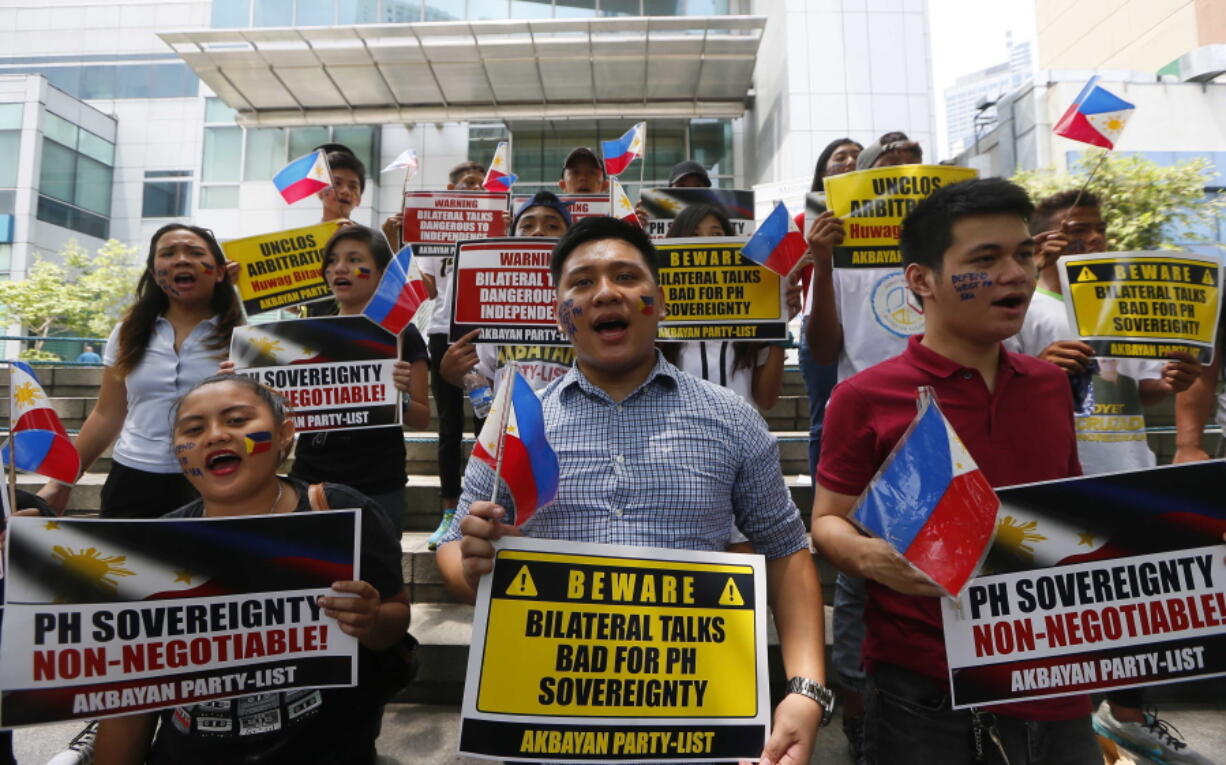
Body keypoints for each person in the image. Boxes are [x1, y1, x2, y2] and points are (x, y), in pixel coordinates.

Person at [436, 216, 830, 765]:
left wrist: (805, 691)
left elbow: (787, 553)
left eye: (625, 276)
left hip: (698, 727)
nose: (604, 293)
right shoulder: (513, 428)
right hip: (548, 731)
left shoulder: (733, 419)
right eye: (581, 282)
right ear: (559, 315)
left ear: (660, 301)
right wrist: (473, 561)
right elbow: (453, 549)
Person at [812, 177, 1097, 764]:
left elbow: (1071, 516)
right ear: (921, 280)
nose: (1015, 274)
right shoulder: (866, 397)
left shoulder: (1048, 386)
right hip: (923, 693)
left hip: (1053, 679)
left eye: (1021, 254)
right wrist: (870, 558)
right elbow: (828, 521)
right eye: (985, 260)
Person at [92, 374, 410, 765]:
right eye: (193, 428)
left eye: (237, 420)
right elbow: (130, 700)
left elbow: (395, 620)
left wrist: (371, 619)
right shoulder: (152, 550)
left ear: (284, 434)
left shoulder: (343, 511)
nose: (215, 435)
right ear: (179, 452)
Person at [1009, 190, 1209, 764]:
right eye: (1075, 230)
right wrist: (1039, 371)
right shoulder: (1024, 307)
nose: (1090, 239)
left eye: (1096, 229)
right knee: (1064, 615)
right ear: (1045, 240)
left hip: (1132, 468)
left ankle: (1125, 719)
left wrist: (1172, 379)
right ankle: (1065, 731)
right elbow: (993, 381)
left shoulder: (1118, 303)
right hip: (1058, 482)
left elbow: (1141, 389)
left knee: (1138, 610)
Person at [804, 133, 917, 763]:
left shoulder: (953, 258)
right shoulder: (844, 255)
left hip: (948, 416)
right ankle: (859, 715)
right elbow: (823, 351)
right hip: (868, 429)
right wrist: (822, 263)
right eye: (888, 166)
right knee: (857, 577)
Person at [38, 224, 242, 517]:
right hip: (132, 480)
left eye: (195, 252)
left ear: (220, 272)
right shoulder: (127, 333)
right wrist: (62, 481)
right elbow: (107, 414)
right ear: (153, 270)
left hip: (218, 476)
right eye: (168, 253)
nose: (181, 260)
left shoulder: (245, 336)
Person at [287, 224, 430, 533]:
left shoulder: (402, 334)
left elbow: (421, 417)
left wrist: (399, 397)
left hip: (377, 486)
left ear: (381, 273)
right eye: (333, 260)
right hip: (311, 480)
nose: (340, 268)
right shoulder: (309, 334)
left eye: (354, 260)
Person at [439, 190, 575, 400]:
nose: (538, 232)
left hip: (573, 424)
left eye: (552, 226)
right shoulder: (492, 308)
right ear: (512, 236)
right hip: (510, 426)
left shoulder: (583, 300)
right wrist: (461, 377)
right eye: (527, 226)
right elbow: (488, 389)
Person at [416, 160, 489, 548]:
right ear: (451, 189)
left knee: (483, 421)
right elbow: (426, 290)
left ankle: (478, 507)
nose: (475, 189)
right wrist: (405, 242)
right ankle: (449, 512)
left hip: (482, 334)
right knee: (447, 424)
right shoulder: (437, 233)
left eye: (481, 185)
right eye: (468, 184)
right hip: (443, 333)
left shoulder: (497, 228)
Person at [662, 203, 788, 410]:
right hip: (681, 437)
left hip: (742, 437)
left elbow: (766, 400)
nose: (706, 243)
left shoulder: (756, 310)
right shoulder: (660, 314)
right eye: (695, 236)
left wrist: (779, 325)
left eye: (716, 234)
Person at [304, 143, 367, 317]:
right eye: (336, 183)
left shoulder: (372, 242)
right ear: (319, 191)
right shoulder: (303, 242)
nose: (345, 191)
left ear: (359, 199)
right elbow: (290, 301)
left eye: (353, 186)